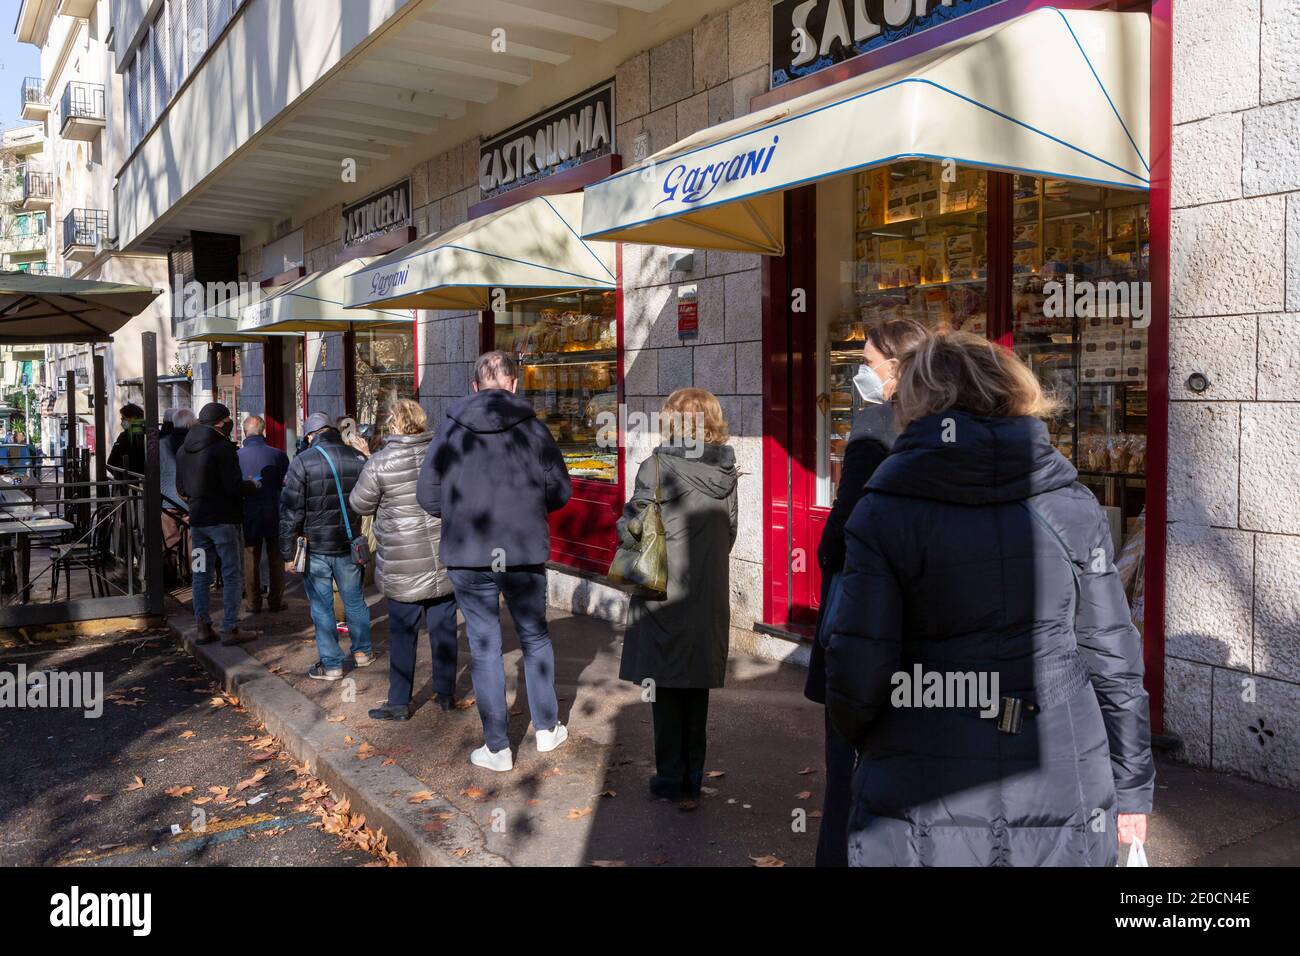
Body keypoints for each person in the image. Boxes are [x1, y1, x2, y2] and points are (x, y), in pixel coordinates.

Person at [824, 331, 1154, 867]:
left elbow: (856, 672)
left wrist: (878, 737)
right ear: (1012, 391)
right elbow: (1114, 659)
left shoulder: (883, 511)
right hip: (1061, 769)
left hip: (924, 776)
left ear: (916, 399)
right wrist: (1133, 788)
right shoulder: (1071, 504)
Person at [806, 318, 927, 866]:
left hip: (865, 624)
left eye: (868, 361)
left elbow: (842, 534)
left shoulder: (876, 424)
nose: (861, 371)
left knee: (847, 769)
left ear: (896, 369)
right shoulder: (944, 423)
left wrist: (828, 549)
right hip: (926, 636)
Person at [418, 350, 572, 772]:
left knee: (485, 647)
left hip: (468, 553)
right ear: (513, 383)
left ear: (474, 386)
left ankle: (498, 748)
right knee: (535, 637)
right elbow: (560, 491)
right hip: (522, 551)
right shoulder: (534, 428)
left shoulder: (449, 428)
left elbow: (427, 494)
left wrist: (457, 516)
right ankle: (546, 728)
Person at [618, 388, 738, 801]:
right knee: (695, 686)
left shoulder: (655, 467)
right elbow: (731, 534)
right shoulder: (726, 471)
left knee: (665, 689)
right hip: (707, 593)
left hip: (663, 590)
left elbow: (633, 527)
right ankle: (693, 775)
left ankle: (670, 777)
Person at [351, 399, 458, 720]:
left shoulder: (380, 463)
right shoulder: (442, 455)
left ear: (394, 426)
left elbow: (360, 504)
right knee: (444, 631)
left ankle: (399, 702)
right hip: (442, 560)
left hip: (402, 564)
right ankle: (446, 694)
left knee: (403, 636)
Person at [279, 411, 372, 681]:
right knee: (354, 600)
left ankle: (331, 664)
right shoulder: (356, 458)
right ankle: (363, 651)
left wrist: (287, 553)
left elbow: (290, 512)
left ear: (310, 435)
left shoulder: (302, 461)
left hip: (316, 546)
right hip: (349, 542)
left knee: (321, 606)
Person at [175, 402, 256, 646]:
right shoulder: (223, 449)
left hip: (198, 523)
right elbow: (233, 487)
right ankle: (230, 627)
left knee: (200, 574)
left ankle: (202, 626)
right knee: (232, 574)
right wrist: (252, 485)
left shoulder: (182, 450)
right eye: (228, 419)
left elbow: (181, 489)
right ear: (221, 422)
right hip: (223, 521)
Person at [238, 415, 289, 614]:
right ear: (263, 431)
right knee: (276, 558)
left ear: (245, 432)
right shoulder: (278, 455)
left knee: (251, 558)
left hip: (248, 511)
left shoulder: (238, 456)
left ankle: (253, 602)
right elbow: (284, 483)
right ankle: (275, 600)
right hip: (273, 510)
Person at [107, 403, 146, 474]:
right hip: (147, 480)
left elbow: (111, 462)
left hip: (128, 481)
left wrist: (121, 478)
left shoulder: (124, 437)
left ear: (133, 418)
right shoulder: (151, 434)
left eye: (123, 418)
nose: (122, 421)